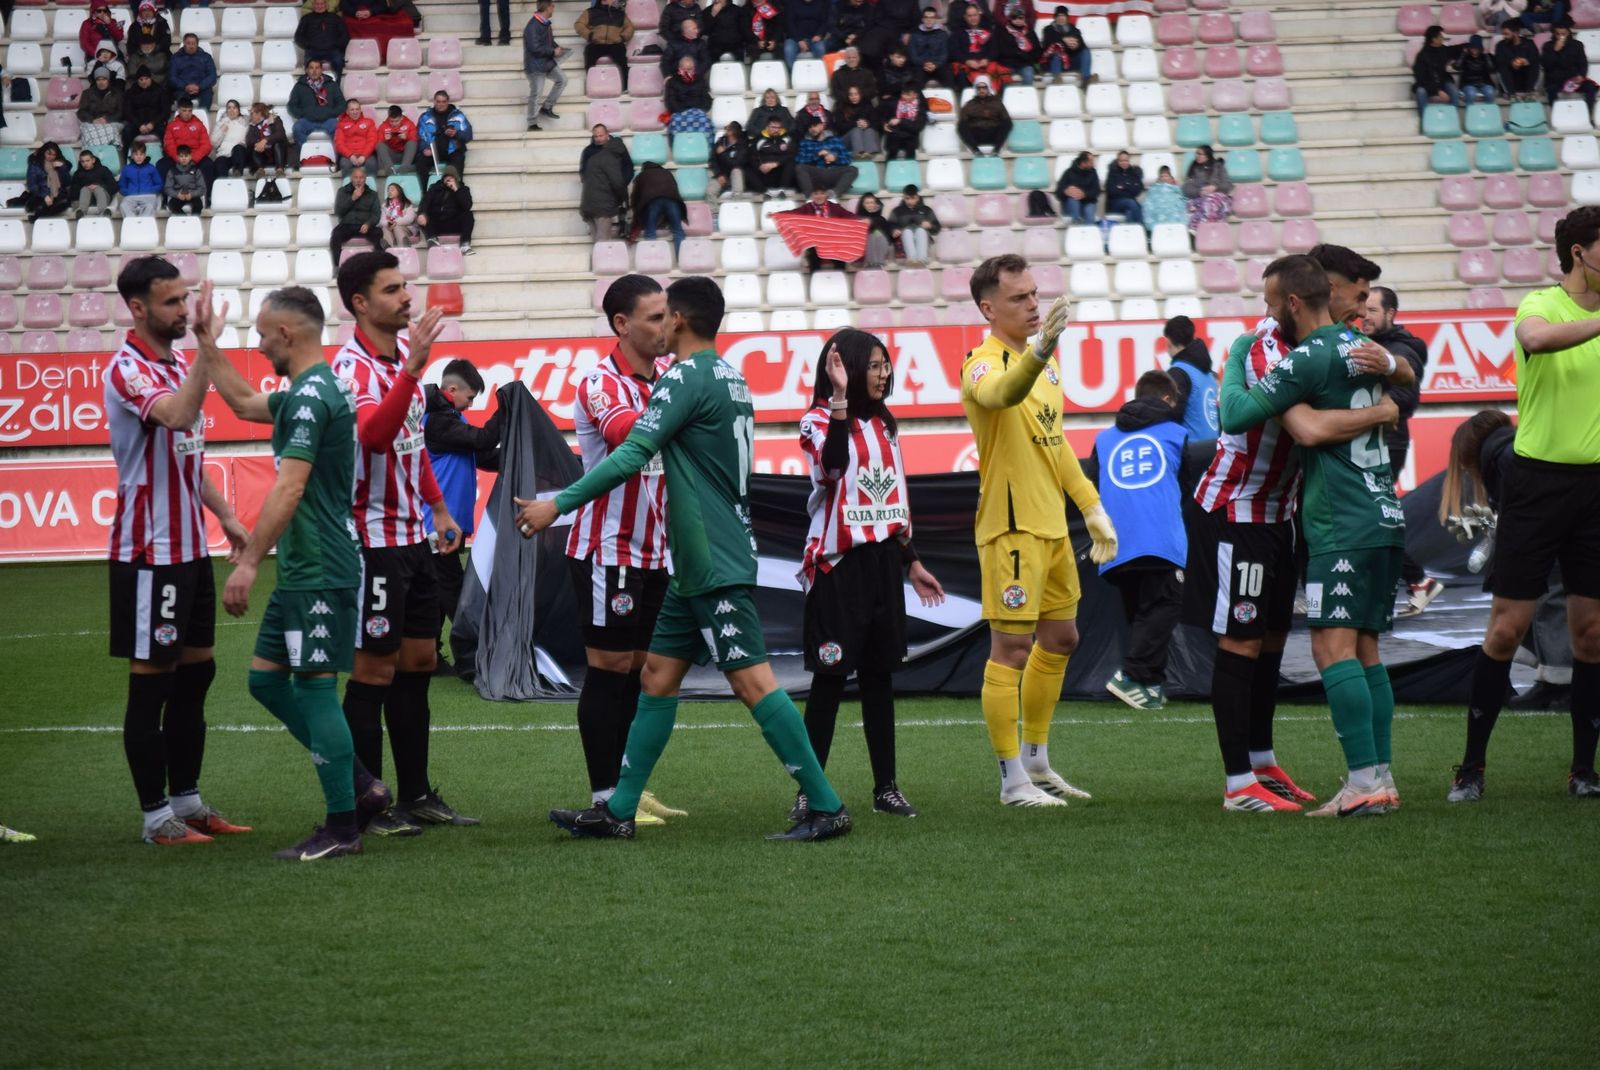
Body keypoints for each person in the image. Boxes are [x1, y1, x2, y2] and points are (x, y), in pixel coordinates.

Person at [516, 277, 853, 842]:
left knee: (753, 684)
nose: (660, 324)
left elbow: (631, 453)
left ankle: (826, 805)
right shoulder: (731, 376)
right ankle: (618, 809)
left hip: (709, 554)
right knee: (656, 676)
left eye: (663, 315)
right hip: (695, 555)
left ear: (679, 319)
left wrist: (558, 505)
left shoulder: (682, 378)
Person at [1186, 243, 1405, 814]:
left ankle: (1262, 762)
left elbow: (1398, 370)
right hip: (1239, 508)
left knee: (1274, 642)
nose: (1356, 304)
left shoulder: (1326, 343)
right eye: (1351, 292)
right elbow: (1298, 425)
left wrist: (1392, 373)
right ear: (1320, 291)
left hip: (1283, 514)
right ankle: (1239, 784)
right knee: (1242, 640)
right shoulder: (1266, 348)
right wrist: (1382, 409)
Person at [198, 283, 390, 861]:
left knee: (312, 688)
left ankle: (341, 827)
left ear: (286, 334)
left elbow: (292, 483)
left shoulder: (310, 397)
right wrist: (208, 344)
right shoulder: (310, 389)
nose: (259, 347)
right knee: (265, 681)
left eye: (261, 337)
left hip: (320, 566)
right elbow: (240, 402)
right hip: (307, 566)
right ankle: (360, 784)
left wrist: (250, 560)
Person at [1446, 206, 1600, 803]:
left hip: (1595, 491)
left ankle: (1584, 770)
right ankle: (1471, 769)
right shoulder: (1539, 305)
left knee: (1591, 636)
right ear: (1579, 253)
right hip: (1537, 486)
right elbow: (1536, 341)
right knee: (1506, 631)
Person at [103, 256, 251, 846]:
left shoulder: (172, 364)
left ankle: (188, 803)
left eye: (185, 298)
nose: (184, 310)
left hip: (190, 549)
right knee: (153, 681)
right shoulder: (128, 370)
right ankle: (154, 817)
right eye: (171, 301)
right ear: (137, 308)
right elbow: (180, 415)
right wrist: (207, 351)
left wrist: (228, 514)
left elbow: (187, 455)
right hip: (149, 554)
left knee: (198, 675)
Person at [960, 255, 1116, 806]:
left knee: (1063, 639)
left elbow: (1056, 445)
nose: (1033, 304)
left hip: (1052, 524)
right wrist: (1044, 350)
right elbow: (1002, 395)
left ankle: (1037, 761)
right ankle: (1011, 781)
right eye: (1019, 298)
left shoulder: (1045, 365)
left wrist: (1091, 506)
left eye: (1034, 294)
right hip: (1010, 528)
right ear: (988, 308)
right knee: (1011, 649)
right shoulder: (981, 363)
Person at [331, 251, 476, 835]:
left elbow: (410, 448)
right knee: (372, 671)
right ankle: (364, 805)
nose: (406, 297)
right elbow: (374, 435)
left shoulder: (401, 368)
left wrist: (439, 507)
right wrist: (413, 369)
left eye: (404, 286)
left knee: (417, 662)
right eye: (392, 289)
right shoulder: (351, 370)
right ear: (361, 303)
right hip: (369, 541)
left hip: (413, 535)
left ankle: (414, 792)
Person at [796, 329, 945, 820]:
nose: (883, 374)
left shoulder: (886, 425)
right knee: (829, 681)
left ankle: (886, 788)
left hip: (882, 565)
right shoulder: (818, 420)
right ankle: (810, 791)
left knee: (880, 678)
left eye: (887, 365)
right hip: (838, 569)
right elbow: (833, 470)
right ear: (847, 367)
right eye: (874, 365)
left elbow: (890, 501)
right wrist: (839, 400)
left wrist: (913, 560)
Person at [555, 276, 684, 825]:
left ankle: (630, 790)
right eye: (654, 318)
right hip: (608, 550)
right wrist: (686, 404)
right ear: (621, 325)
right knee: (608, 669)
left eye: (668, 315)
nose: (667, 327)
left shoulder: (667, 381)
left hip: (655, 551)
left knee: (639, 671)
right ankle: (605, 796)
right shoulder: (600, 383)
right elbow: (632, 435)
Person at [1091, 371, 1188, 711]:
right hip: (1160, 538)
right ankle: (1132, 675)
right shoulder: (1177, 433)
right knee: (1163, 605)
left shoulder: (1104, 439)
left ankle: (1150, 686)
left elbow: (1090, 484)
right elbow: (1189, 486)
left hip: (1115, 544)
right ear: (1166, 400)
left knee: (1141, 613)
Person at [1363, 287, 1441, 619]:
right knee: (1372, 516)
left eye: (1372, 310)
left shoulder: (1404, 349)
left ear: (1391, 314)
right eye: (1362, 310)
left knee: (1374, 516)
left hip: (1387, 441)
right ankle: (1414, 581)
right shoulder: (1365, 343)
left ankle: (1417, 579)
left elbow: (1405, 400)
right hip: (1367, 439)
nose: (1364, 316)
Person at [422, 358, 502, 676]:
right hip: (438, 526)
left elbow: (484, 454)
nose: (470, 406)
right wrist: (507, 408)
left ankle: (430, 656)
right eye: (469, 398)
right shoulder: (439, 422)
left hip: (443, 525)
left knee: (439, 593)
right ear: (452, 390)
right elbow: (482, 441)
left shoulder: (447, 419)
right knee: (454, 592)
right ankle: (473, 658)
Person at [1161, 315, 1218, 441]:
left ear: (1169, 341)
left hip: (1193, 451)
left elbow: (1173, 415)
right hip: (1213, 447)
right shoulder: (1208, 373)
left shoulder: (1178, 373)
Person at [581, 123, 632, 239]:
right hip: (599, 198)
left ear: (607, 134)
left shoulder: (617, 149)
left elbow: (628, 167)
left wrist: (623, 183)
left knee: (600, 240)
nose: (598, 139)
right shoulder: (589, 151)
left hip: (603, 197)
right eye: (596, 136)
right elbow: (583, 173)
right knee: (602, 240)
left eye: (601, 136)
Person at [794, 185, 861, 272]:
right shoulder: (807, 208)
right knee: (813, 249)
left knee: (839, 248)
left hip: (833, 239)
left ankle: (840, 274)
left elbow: (849, 216)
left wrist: (862, 220)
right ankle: (815, 276)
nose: (819, 196)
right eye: (816, 194)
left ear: (826, 195)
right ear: (812, 196)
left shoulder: (835, 207)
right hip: (815, 240)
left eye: (822, 193)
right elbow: (793, 215)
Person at [524, 0, 568, 132]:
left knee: (562, 80)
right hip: (536, 66)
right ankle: (532, 123)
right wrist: (552, 51)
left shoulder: (544, 23)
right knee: (536, 94)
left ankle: (547, 107)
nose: (554, 8)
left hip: (546, 62)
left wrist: (556, 47)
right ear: (547, 7)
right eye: (552, 6)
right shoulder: (532, 26)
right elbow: (534, 48)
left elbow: (547, 41)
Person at [576, 0, 633, 94]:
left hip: (614, 44)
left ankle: (625, 87)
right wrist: (590, 36)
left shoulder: (619, 13)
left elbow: (630, 28)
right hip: (596, 44)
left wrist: (622, 37)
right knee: (589, 58)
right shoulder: (590, 12)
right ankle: (591, 86)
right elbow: (579, 25)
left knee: (622, 61)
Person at [161, 98, 216, 195]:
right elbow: (169, 145)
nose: (187, 113)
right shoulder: (171, 126)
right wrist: (179, 158)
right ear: (178, 111)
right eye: (184, 110)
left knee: (208, 165)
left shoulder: (199, 125)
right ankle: (164, 198)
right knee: (161, 165)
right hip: (177, 157)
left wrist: (193, 158)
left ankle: (208, 196)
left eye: (190, 111)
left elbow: (206, 145)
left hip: (195, 158)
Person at [417, 91, 472, 185]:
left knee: (458, 162)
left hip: (453, 150)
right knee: (420, 161)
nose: (441, 104)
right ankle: (426, 192)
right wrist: (425, 148)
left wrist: (456, 133)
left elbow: (469, 135)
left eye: (443, 101)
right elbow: (419, 136)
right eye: (438, 101)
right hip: (434, 150)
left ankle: (457, 192)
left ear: (448, 101)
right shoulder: (425, 117)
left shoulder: (458, 115)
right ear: (434, 102)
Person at [631, 160, 687, 252]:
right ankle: (682, 260)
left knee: (650, 231)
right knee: (678, 230)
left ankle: (653, 260)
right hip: (672, 200)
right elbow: (675, 189)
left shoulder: (642, 175)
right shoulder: (667, 173)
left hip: (653, 202)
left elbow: (635, 196)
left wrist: (636, 211)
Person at [795, 117, 858, 199]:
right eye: (809, 127)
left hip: (833, 172)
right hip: (816, 173)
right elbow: (799, 159)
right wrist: (817, 155)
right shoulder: (805, 142)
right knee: (799, 168)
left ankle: (834, 194)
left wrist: (835, 158)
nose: (812, 129)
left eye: (814, 126)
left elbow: (847, 159)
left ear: (822, 126)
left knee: (852, 169)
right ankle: (811, 197)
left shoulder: (835, 140)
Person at [331, 165, 383, 261]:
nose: (358, 180)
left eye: (361, 177)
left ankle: (378, 265)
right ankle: (338, 266)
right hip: (347, 226)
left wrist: (368, 223)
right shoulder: (342, 191)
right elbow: (338, 211)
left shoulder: (372, 194)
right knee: (335, 235)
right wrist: (352, 199)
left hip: (365, 226)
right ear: (351, 178)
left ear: (365, 179)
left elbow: (376, 214)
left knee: (379, 233)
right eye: (356, 177)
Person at [417, 166, 475, 252]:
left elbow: (467, 206)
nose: (448, 180)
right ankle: (432, 239)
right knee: (424, 214)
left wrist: (456, 189)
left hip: (454, 223)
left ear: (455, 178)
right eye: (446, 178)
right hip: (437, 224)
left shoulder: (463, 189)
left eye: (451, 178)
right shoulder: (434, 188)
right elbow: (425, 202)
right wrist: (422, 213)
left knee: (468, 214)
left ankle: (465, 244)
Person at [288, 60, 345, 147]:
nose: (314, 71)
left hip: (328, 120)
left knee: (338, 128)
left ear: (321, 70)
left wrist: (330, 113)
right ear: (307, 70)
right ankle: (305, 156)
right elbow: (292, 105)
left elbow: (341, 104)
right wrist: (304, 114)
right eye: (311, 68)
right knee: (297, 128)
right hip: (307, 120)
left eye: (317, 68)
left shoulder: (332, 85)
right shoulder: (299, 86)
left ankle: (336, 158)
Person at [1542, 18, 1596, 108]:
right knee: (1551, 90)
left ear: (1568, 32)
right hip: (1555, 79)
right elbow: (1546, 65)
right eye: (1558, 34)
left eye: (1563, 34)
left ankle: (1587, 114)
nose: (1560, 36)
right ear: (1554, 34)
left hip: (1573, 79)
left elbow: (1583, 63)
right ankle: (1557, 114)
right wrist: (1555, 51)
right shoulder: (1548, 46)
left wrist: (1581, 75)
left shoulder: (1577, 45)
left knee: (1591, 87)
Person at [1413, 25, 1463, 115]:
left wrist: (1469, 45)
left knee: (1454, 90)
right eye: (1440, 36)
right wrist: (1437, 91)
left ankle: (1452, 118)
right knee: (1420, 92)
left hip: (1443, 82)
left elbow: (1455, 49)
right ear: (1434, 39)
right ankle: (1424, 120)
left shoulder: (1443, 49)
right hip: (1427, 85)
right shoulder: (1422, 56)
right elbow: (1421, 79)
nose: (1443, 38)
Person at [665, 55, 715, 145]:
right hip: (679, 114)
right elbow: (670, 102)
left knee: (706, 121)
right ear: (680, 69)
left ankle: (705, 149)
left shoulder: (700, 81)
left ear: (694, 69)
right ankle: (678, 149)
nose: (687, 72)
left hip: (697, 114)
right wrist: (685, 111)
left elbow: (707, 100)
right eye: (685, 69)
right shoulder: (672, 82)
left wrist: (696, 110)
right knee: (675, 122)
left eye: (690, 69)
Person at [1182, 145, 1233, 231]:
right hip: (1199, 198)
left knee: (1210, 202)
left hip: (1217, 197)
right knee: (1192, 206)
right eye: (1196, 154)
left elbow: (1228, 185)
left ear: (1208, 155)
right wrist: (1199, 192)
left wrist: (1215, 187)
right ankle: (1206, 229)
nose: (1197, 156)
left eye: (1200, 154)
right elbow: (1186, 187)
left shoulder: (1218, 167)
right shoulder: (1194, 167)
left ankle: (1199, 228)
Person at [957, 77, 1011, 154]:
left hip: (993, 135)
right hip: (976, 135)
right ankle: (975, 150)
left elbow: (1007, 121)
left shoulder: (997, 103)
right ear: (976, 89)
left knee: (1006, 123)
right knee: (962, 125)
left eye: (984, 87)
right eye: (979, 88)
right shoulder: (969, 105)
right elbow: (962, 123)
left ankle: (996, 150)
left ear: (988, 88)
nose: (981, 90)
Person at [296, 0, 351, 76]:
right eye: (317, 4)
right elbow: (298, 37)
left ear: (327, 5)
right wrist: (309, 45)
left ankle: (336, 86)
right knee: (309, 65)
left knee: (339, 62)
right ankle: (311, 86)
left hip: (332, 50)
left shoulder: (335, 18)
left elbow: (345, 35)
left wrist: (336, 45)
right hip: (313, 50)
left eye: (322, 4)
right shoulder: (306, 19)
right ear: (313, 5)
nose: (319, 6)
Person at [121, 69, 168, 156]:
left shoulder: (160, 91)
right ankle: (125, 158)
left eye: (146, 79)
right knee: (127, 132)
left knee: (164, 132)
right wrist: (139, 125)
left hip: (155, 123)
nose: (144, 82)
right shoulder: (131, 92)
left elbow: (165, 111)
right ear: (137, 80)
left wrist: (153, 123)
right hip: (137, 124)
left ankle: (165, 158)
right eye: (141, 79)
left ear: (150, 78)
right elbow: (128, 112)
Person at [950, 3, 1000, 87]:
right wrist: (967, 61)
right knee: (961, 74)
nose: (973, 18)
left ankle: (991, 98)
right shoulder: (958, 33)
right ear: (965, 17)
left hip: (985, 64)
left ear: (979, 16)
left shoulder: (988, 31)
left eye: (975, 15)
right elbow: (954, 52)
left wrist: (987, 59)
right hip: (966, 64)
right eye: (969, 16)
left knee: (996, 71)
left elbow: (995, 50)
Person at [889, 184, 938, 265]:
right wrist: (894, 230)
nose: (910, 201)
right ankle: (912, 260)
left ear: (918, 197)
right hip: (904, 237)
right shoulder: (897, 211)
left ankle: (922, 260)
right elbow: (891, 224)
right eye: (907, 198)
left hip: (922, 236)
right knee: (907, 232)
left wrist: (930, 225)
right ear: (904, 197)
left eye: (913, 198)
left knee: (920, 231)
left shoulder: (926, 210)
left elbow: (936, 227)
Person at [749, 117, 799, 195]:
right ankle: (763, 192)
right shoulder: (759, 139)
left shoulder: (787, 139)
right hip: (764, 172)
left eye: (778, 127)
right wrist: (759, 166)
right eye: (773, 127)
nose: (776, 130)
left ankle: (782, 190)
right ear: (767, 127)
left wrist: (775, 164)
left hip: (780, 174)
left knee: (791, 162)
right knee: (746, 168)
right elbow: (752, 156)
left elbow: (791, 155)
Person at [24, 142, 72, 222]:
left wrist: (63, 168)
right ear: (43, 152)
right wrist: (45, 195)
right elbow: (32, 185)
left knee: (64, 202)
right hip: (39, 194)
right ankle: (39, 213)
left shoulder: (60, 164)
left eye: (54, 155)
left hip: (58, 194)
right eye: (49, 154)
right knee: (43, 204)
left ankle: (38, 215)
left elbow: (67, 182)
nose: (51, 157)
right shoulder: (35, 164)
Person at [78, 69, 125, 149]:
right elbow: (81, 112)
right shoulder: (87, 93)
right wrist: (93, 120)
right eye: (98, 79)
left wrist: (107, 119)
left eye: (104, 79)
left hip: (111, 122)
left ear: (108, 80)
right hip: (92, 122)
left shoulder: (117, 93)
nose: (101, 82)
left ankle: (109, 153)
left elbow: (122, 112)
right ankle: (93, 155)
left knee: (111, 129)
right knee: (88, 131)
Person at [334, 98, 379, 179]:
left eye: (357, 109)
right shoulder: (341, 124)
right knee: (345, 164)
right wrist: (350, 155)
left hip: (366, 155)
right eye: (352, 109)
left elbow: (372, 141)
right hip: (348, 156)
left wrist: (364, 156)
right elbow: (339, 143)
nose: (355, 112)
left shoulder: (369, 122)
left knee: (372, 164)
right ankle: (347, 190)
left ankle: (371, 189)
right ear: (347, 112)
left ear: (360, 110)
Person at [1495, 19, 1540, 99]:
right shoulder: (1501, 45)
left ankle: (1530, 92)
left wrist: (1527, 61)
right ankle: (1510, 93)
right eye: (1503, 34)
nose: (1504, 36)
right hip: (1511, 78)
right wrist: (1511, 63)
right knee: (1502, 68)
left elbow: (1536, 58)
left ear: (1516, 33)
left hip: (1525, 78)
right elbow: (1499, 61)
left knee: (1534, 65)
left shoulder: (1529, 43)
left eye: (1506, 34)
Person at [170, 34, 217, 111]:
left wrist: (199, 86)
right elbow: (172, 77)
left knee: (207, 94)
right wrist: (185, 86)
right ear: (184, 44)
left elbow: (212, 76)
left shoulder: (206, 57)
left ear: (197, 44)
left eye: (193, 43)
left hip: (202, 88)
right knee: (180, 99)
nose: (191, 46)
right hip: (183, 89)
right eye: (188, 43)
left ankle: (201, 119)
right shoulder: (175, 58)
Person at [880, 85, 927, 160]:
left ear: (915, 95)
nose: (904, 97)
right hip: (894, 136)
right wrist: (884, 124)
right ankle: (889, 169)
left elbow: (917, 127)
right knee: (892, 148)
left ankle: (910, 170)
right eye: (903, 94)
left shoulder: (920, 109)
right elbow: (882, 115)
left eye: (907, 95)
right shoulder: (894, 104)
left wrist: (900, 121)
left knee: (911, 151)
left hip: (910, 138)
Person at [834, 84, 881, 158]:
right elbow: (839, 127)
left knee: (869, 130)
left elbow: (876, 123)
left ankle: (870, 154)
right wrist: (856, 124)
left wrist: (867, 124)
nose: (854, 97)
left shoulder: (867, 106)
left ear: (860, 95)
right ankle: (859, 154)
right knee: (856, 130)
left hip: (864, 139)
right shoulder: (841, 107)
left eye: (856, 94)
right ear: (847, 96)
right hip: (846, 140)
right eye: (851, 95)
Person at [997, 9, 1042, 85]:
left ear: (1024, 19)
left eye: (1020, 18)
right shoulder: (1003, 32)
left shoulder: (1030, 32)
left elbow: (1038, 51)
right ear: (1010, 19)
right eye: (1014, 18)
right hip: (1008, 64)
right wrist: (1019, 53)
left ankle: (1026, 95)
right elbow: (1002, 51)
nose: (1017, 20)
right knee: (1004, 76)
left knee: (1029, 73)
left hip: (1025, 64)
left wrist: (1029, 57)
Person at [908, 7, 950, 87]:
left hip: (938, 66)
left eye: (932, 18)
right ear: (922, 19)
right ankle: (920, 99)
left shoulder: (942, 34)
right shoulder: (915, 35)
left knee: (947, 74)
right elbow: (913, 56)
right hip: (920, 66)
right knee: (916, 79)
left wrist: (936, 64)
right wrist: (924, 64)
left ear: (935, 19)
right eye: (926, 17)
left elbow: (944, 54)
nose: (929, 20)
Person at [70, 148, 118, 218]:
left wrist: (100, 186)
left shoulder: (103, 170)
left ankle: (103, 214)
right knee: (85, 189)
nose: (85, 163)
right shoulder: (77, 174)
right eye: (82, 162)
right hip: (85, 200)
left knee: (98, 189)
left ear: (93, 160)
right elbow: (73, 192)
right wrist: (86, 187)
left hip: (103, 197)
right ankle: (81, 213)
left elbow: (115, 187)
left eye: (87, 161)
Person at [1055, 150, 1099, 224]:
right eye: (1091, 162)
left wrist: (1084, 194)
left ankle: (1089, 231)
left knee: (1089, 213)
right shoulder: (1068, 173)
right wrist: (1066, 191)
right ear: (1083, 163)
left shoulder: (1093, 173)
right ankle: (1076, 224)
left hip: (1087, 202)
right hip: (1071, 206)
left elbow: (1096, 191)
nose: (1093, 164)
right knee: (1073, 199)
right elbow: (1058, 193)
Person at [118, 142, 163, 217]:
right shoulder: (126, 169)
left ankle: (143, 225)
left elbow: (159, 184)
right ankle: (132, 224)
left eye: (141, 154)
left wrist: (149, 190)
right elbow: (121, 185)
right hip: (131, 197)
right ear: (132, 156)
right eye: (136, 154)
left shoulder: (151, 168)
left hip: (148, 196)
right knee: (123, 206)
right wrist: (128, 192)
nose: (139, 157)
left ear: (145, 155)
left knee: (150, 207)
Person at [247, 102, 291, 176]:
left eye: (252, 113)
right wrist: (259, 144)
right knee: (254, 147)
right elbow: (249, 139)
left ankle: (280, 170)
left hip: (277, 151)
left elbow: (280, 134)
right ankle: (260, 169)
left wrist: (265, 141)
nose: (250, 116)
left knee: (278, 144)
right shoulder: (252, 125)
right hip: (263, 153)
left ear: (259, 113)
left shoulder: (275, 119)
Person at [1043, 16, 1089, 87]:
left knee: (1085, 52)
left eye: (1063, 16)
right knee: (1056, 54)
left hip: (1071, 62)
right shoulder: (1048, 29)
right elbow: (1047, 45)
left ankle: (1086, 78)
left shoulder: (1073, 28)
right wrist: (1064, 40)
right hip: (1056, 63)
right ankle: (1057, 79)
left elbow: (1082, 44)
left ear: (1066, 17)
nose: (1061, 18)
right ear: (1055, 17)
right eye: (1059, 15)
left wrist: (1076, 45)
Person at [785, 0, 831, 67]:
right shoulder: (792, 3)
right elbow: (790, 23)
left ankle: (817, 73)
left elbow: (824, 22)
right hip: (795, 38)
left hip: (814, 38)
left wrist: (819, 34)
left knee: (820, 49)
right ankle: (793, 73)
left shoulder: (821, 3)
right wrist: (799, 40)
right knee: (788, 49)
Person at [711, 121, 750, 199]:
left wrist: (723, 153)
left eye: (729, 129)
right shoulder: (720, 142)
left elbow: (736, 164)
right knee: (710, 192)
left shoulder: (742, 145)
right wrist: (719, 174)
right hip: (722, 175)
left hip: (737, 175)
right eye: (726, 128)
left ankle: (737, 206)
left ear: (735, 132)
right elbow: (713, 160)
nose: (726, 130)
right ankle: (714, 211)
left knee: (736, 170)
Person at [376, 105, 418, 176]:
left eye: (396, 121)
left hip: (406, 155)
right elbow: (376, 144)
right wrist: (384, 139)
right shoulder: (383, 126)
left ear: (401, 118)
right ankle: (390, 170)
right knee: (380, 145)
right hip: (392, 156)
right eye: (391, 121)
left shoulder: (409, 124)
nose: (394, 124)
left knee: (412, 143)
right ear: (388, 118)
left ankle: (404, 169)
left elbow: (415, 140)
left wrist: (406, 137)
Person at [1105, 150, 1145, 225]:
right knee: (1131, 203)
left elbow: (1138, 189)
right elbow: (1111, 191)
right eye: (1121, 161)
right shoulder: (1112, 173)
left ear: (1129, 161)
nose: (1124, 163)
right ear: (1118, 161)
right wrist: (1129, 188)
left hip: (1130, 203)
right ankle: (1141, 229)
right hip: (1115, 204)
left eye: (1126, 160)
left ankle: (1134, 233)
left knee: (1129, 212)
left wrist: (1123, 187)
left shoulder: (1133, 172)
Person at [212, 99, 251, 176]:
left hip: (240, 154)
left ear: (238, 110)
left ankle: (237, 173)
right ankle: (223, 185)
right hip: (225, 154)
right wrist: (221, 131)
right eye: (229, 108)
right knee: (220, 161)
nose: (232, 110)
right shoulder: (221, 123)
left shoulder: (246, 122)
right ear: (226, 111)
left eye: (234, 108)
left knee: (238, 148)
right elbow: (213, 143)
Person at [163, 145, 205, 215]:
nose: (184, 158)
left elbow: (202, 188)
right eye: (181, 156)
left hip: (192, 195)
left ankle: (194, 222)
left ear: (190, 156)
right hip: (178, 195)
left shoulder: (196, 170)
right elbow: (167, 188)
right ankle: (183, 221)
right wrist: (177, 194)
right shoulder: (172, 171)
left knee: (198, 205)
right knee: (172, 205)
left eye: (186, 156)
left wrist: (192, 194)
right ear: (177, 157)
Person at [857, 193, 896, 267]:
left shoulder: (881, 219)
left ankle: (878, 263)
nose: (870, 205)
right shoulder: (858, 218)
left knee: (878, 235)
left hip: (880, 241)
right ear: (863, 204)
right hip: (863, 241)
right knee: (871, 235)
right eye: (867, 203)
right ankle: (871, 263)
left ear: (876, 204)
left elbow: (888, 233)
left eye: (872, 202)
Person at [1458, 34, 1498, 104]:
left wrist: (1486, 56)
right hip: (1468, 83)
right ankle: (1470, 113)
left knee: (1490, 92)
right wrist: (1463, 54)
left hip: (1484, 82)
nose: (1474, 50)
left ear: (1480, 48)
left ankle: (1488, 113)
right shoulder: (1465, 56)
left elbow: (1492, 69)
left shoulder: (1485, 56)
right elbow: (1456, 67)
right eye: (1472, 48)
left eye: (1476, 48)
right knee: (1471, 93)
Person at [381, 182, 420, 247]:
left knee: (397, 228)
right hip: (390, 228)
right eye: (388, 190)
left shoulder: (407, 203)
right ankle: (389, 248)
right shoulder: (384, 206)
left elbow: (410, 218)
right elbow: (381, 221)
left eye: (392, 190)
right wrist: (388, 223)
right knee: (385, 228)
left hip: (405, 228)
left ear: (399, 191)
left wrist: (395, 223)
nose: (389, 192)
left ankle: (403, 246)